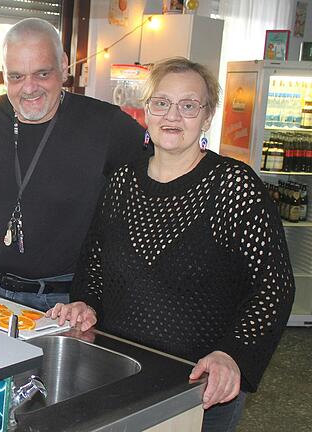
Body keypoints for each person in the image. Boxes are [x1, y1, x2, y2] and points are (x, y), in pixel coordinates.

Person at [47, 57, 295, 432]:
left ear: (207, 116)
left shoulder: (235, 187)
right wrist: (87, 304)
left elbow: (273, 287)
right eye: (161, 102)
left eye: (188, 105)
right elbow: (94, 265)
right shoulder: (121, 183)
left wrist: (233, 355)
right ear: (147, 110)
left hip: (198, 384)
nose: (172, 116)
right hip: (120, 374)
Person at [0, 17, 148, 311]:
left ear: (64, 65)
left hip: (65, 303)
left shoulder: (108, 124)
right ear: (4, 73)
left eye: (42, 73)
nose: (29, 88)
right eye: (16, 76)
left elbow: (162, 181)